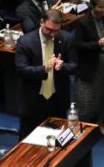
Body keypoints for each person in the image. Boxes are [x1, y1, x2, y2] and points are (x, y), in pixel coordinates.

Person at [15, 9, 76, 138]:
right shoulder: (25, 42)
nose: (53, 34)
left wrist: (63, 66)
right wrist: (44, 69)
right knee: (28, 142)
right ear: (41, 22)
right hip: (33, 100)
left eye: (56, 30)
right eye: (49, 29)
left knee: (58, 142)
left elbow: (75, 66)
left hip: (57, 99)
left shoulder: (67, 39)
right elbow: (21, 70)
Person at [74, 0, 104, 136]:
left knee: (102, 96)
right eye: (100, 7)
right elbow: (78, 45)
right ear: (92, 6)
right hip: (89, 66)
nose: (103, 10)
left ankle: (100, 122)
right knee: (85, 100)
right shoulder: (83, 22)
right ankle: (84, 128)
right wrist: (97, 44)